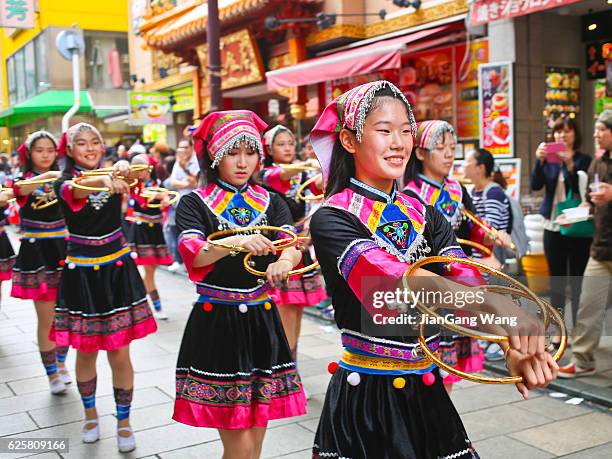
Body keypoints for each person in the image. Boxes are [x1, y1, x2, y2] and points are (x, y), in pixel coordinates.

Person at [308, 80, 557, 458]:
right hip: (368, 399)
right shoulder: (332, 217)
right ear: (348, 139)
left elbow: (466, 282)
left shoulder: (426, 213)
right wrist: (503, 310)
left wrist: (509, 347)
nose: (398, 143)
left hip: (426, 387)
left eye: (406, 131)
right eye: (384, 130)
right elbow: (391, 279)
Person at [172, 110, 306, 458]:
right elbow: (193, 253)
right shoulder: (194, 202)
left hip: (262, 318)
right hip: (217, 321)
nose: (243, 162)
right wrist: (236, 242)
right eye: (233, 153)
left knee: (256, 440)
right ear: (215, 157)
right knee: (240, 446)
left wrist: (283, 262)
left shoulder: (272, 200)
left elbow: (291, 246)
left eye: (250, 153)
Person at [51, 122, 157, 452]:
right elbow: (78, 190)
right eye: (81, 143)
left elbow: (145, 172)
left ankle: (124, 422)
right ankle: (91, 416)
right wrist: (106, 179)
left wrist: (129, 166)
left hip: (117, 268)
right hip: (81, 272)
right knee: (86, 349)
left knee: (120, 351)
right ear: (69, 151)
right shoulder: (62, 182)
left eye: (94, 141)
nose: (89, 147)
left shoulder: (116, 172)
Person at [403, 120, 512, 391]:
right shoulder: (411, 196)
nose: (449, 154)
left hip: (455, 289)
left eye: (452, 148)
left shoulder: (456, 190)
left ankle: (439, 432)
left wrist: (488, 236)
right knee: (424, 375)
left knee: (446, 375)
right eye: (440, 148)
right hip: (428, 289)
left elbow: (470, 227)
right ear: (420, 153)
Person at [260, 125, 327, 366]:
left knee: (296, 310)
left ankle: (291, 364)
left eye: (290, 143)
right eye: (281, 144)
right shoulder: (266, 173)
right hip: (277, 250)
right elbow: (283, 175)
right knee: (284, 311)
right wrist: (309, 165)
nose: (288, 148)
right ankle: (283, 366)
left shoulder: (302, 175)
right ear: (268, 148)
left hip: (298, 248)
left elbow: (320, 187)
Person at [10, 131, 70, 394]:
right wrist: (53, 177)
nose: (46, 154)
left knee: (66, 316)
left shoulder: (66, 180)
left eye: (50, 149)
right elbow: (20, 190)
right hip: (37, 254)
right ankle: (52, 374)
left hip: (67, 251)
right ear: (29, 154)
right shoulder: (22, 181)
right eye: (39, 150)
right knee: (46, 318)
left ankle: (61, 362)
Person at [559, 109, 612, 378]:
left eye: (601, 129)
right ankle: (582, 360)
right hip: (601, 248)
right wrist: (572, 216)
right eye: (595, 129)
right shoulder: (598, 163)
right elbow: (589, 202)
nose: (596, 134)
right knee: (588, 306)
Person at [530, 117, 592, 335]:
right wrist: (540, 161)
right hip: (552, 225)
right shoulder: (548, 160)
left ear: (575, 135)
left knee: (577, 281)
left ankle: (578, 330)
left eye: (567, 131)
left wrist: (569, 165)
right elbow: (535, 185)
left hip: (576, 226)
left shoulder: (584, 160)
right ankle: (558, 329)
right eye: (558, 132)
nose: (562, 136)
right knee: (556, 281)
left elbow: (581, 190)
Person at [126, 154, 174, 320]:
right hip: (142, 230)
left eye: (143, 167)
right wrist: (155, 196)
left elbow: (164, 200)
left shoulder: (157, 184)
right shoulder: (134, 185)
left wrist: (165, 201)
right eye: (136, 167)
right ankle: (154, 305)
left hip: (156, 230)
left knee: (150, 271)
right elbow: (141, 199)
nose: (140, 171)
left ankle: (146, 302)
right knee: (148, 271)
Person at [166, 138, 200, 272]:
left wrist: (185, 169)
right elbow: (173, 182)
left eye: (186, 147)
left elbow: (196, 182)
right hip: (180, 202)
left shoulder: (196, 162)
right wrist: (185, 183)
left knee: (195, 235)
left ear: (192, 148)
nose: (183, 150)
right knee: (179, 233)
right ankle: (182, 262)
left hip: (195, 203)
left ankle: (196, 266)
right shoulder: (178, 162)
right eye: (180, 147)